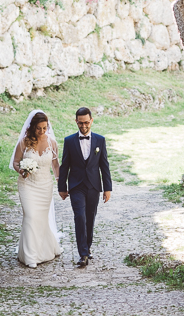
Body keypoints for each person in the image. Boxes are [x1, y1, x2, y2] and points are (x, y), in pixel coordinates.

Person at [58, 106, 112, 268]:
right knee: (79, 217)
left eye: (86, 123)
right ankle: (82, 253)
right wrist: (62, 187)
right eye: (80, 123)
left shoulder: (100, 140)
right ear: (76, 122)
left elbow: (104, 165)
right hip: (76, 186)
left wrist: (107, 188)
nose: (83, 126)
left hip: (94, 186)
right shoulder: (69, 141)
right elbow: (64, 165)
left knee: (90, 218)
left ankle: (87, 247)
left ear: (91, 121)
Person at [10, 109, 61, 268]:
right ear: (33, 127)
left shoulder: (52, 143)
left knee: (41, 218)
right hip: (27, 185)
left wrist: (60, 182)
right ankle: (30, 256)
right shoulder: (24, 142)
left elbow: (55, 164)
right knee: (31, 216)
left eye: (44, 128)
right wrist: (22, 170)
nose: (42, 131)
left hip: (45, 185)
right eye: (39, 128)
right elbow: (16, 162)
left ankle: (44, 250)